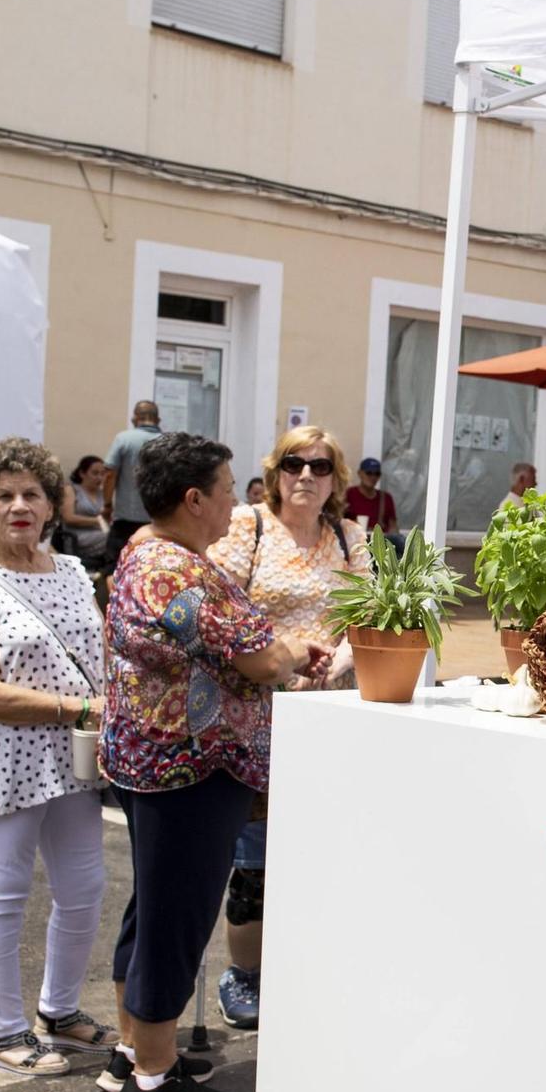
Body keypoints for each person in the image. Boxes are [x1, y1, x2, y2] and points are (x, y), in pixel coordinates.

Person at [101, 432, 327, 1092]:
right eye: (228, 487)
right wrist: (293, 652)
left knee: (153, 908)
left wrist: (280, 651)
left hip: (148, 759)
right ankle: (154, 1080)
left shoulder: (142, 549)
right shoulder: (181, 571)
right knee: (177, 917)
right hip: (191, 769)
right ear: (194, 498)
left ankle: (134, 1047)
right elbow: (258, 659)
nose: (238, 498)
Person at [0, 438, 117, 1077]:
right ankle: (2, 1032)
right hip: (5, 760)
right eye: (3, 496)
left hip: (74, 759)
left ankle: (58, 1013)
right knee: (3, 894)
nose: (19, 506)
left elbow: (97, 657)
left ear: (49, 506)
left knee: (84, 889)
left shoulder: (68, 571)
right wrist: (80, 711)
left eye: (31, 494)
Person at [206, 426, 371, 1030]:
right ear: (275, 472)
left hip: (329, 717)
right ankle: (244, 976)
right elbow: (216, 610)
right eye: (294, 464)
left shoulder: (350, 539)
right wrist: (283, 657)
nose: (307, 476)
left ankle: (307, 963)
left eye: (320, 467)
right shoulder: (247, 528)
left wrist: (347, 654)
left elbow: (372, 613)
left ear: (336, 479)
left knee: (322, 847)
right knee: (254, 858)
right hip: (258, 715)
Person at [100, 400, 165, 572]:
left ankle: (115, 599)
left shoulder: (123, 439)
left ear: (134, 418)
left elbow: (109, 475)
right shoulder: (168, 443)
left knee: (115, 567)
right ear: (158, 420)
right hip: (158, 521)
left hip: (125, 519)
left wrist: (107, 505)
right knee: (151, 569)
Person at [56, 454, 111, 569]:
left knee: (120, 536)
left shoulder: (102, 493)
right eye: (95, 473)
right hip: (77, 537)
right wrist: (97, 521)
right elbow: (68, 517)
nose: (99, 478)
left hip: (100, 534)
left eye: (102, 474)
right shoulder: (71, 489)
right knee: (114, 538)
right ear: (82, 473)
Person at [345, 456, 401, 549]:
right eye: (369, 473)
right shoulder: (349, 494)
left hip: (379, 546)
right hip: (355, 544)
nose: (373, 477)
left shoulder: (386, 498)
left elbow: (393, 527)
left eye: (376, 474)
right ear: (360, 473)